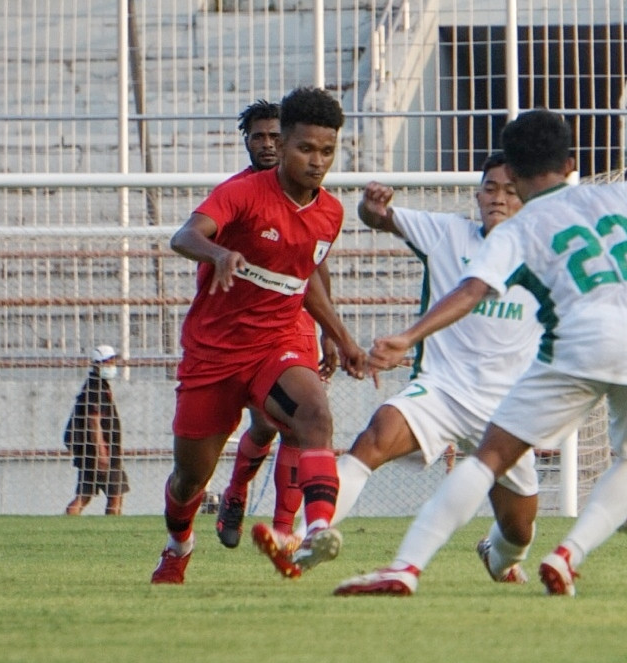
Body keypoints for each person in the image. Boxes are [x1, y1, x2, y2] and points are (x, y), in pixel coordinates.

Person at [334, 109, 627, 597]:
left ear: (514, 177)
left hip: (579, 342)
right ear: (571, 162)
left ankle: (406, 568)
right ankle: (567, 556)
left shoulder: (519, 230)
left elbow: (474, 288)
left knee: (487, 459)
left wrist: (409, 337)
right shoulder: (614, 194)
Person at [151, 86, 367, 585]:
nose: (317, 162)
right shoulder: (242, 193)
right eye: (306, 149)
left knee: (313, 414)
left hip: (275, 344)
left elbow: (304, 278)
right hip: (214, 354)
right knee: (188, 481)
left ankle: (310, 533)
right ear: (284, 144)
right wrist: (219, 254)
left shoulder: (330, 213)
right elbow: (184, 236)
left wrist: (340, 337)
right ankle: (178, 545)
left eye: (327, 151)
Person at [329, 151, 553, 585]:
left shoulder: (544, 254)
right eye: (490, 188)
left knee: (518, 530)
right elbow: (379, 218)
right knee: (375, 436)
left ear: (526, 197)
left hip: (508, 408)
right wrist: (372, 207)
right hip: (443, 389)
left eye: (510, 190)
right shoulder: (447, 233)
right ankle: (308, 534)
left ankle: (499, 557)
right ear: (477, 194)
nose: (498, 198)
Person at [214, 99, 339, 550]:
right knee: (264, 426)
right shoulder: (238, 193)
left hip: (295, 321)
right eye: (258, 137)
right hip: (242, 327)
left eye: (273, 136)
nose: (266, 144)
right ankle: (236, 491)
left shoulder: (312, 197)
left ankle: (285, 530)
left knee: (302, 422)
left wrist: (329, 329)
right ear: (247, 142)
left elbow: (315, 264)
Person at [63, 345, 128, 516]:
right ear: (99, 364)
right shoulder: (96, 388)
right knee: (115, 494)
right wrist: (102, 452)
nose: (113, 365)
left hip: (92, 452)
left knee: (84, 496)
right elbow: (94, 421)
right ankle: (112, 531)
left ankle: (65, 525)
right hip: (98, 452)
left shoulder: (97, 385)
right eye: (109, 362)